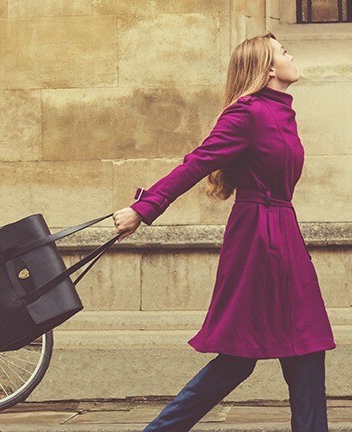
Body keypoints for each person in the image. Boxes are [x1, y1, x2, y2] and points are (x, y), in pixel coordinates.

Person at [111, 32, 336, 432]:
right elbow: (196, 163)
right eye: (284, 51)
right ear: (268, 67)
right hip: (257, 240)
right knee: (239, 356)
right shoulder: (246, 113)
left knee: (306, 348)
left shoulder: (281, 111)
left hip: (284, 233)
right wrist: (143, 210)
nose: (291, 55)